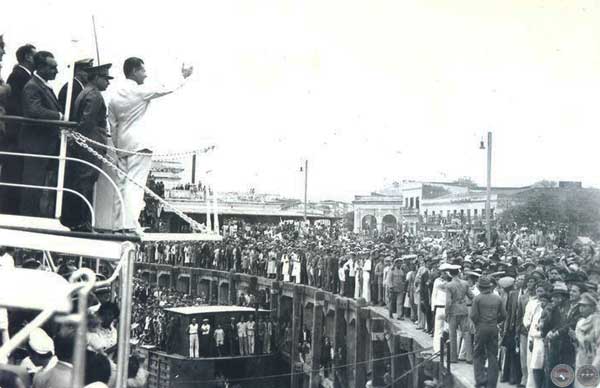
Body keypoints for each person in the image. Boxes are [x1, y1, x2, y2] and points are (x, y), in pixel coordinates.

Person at [108, 57, 193, 232]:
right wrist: (183, 77)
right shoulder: (139, 91)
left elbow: (113, 125)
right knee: (135, 186)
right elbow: (165, 89)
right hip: (140, 145)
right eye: (142, 71)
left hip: (123, 145)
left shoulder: (114, 97)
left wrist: (117, 147)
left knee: (121, 184)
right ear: (134, 71)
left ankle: (118, 224)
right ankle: (131, 224)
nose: (145, 75)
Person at [61, 64, 113, 231]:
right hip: (91, 143)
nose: (108, 83)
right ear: (96, 78)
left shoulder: (85, 92)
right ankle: (83, 221)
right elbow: (87, 122)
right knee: (87, 181)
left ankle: (79, 219)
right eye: (105, 79)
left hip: (85, 143)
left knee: (81, 180)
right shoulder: (95, 96)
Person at [20, 50, 62, 217]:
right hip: (36, 145)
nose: (56, 71)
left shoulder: (43, 86)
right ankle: (27, 220)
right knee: (32, 184)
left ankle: (35, 216)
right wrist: (58, 116)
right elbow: (33, 110)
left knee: (39, 183)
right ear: (41, 67)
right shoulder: (33, 86)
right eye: (52, 68)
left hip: (44, 145)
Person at [1, 43, 36, 215]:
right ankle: (8, 212)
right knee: (12, 174)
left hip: (18, 135)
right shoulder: (17, 76)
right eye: (34, 55)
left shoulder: (24, 76)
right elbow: (15, 105)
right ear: (28, 57)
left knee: (16, 174)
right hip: (16, 136)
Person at [470, 276, 506, 388]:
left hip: (481, 327)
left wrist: (478, 324)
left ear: (480, 287)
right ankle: (492, 383)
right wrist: (495, 321)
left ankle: (480, 379)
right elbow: (504, 315)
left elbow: (473, 316)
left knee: (478, 354)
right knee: (492, 355)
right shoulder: (498, 298)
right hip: (493, 327)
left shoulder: (477, 298)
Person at [445, 265, 473, 363]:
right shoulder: (465, 283)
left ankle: (453, 357)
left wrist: (446, 313)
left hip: (453, 310)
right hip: (464, 309)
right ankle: (469, 357)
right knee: (466, 333)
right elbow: (471, 296)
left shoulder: (449, 285)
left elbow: (448, 302)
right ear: (458, 273)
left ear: (450, 274)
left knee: (452, 334)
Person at [574, 292, 600, 388]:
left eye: (585, 306)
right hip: (581, 358)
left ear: (592, 307)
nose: (581, 309)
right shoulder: (580, 322)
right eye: (580, 306)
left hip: (593, 360)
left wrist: (595, 366)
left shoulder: (597, 321)